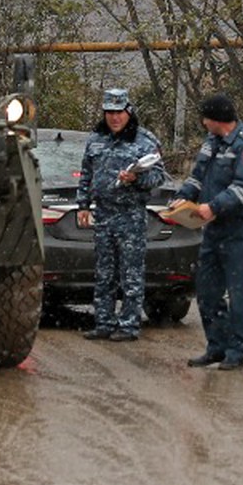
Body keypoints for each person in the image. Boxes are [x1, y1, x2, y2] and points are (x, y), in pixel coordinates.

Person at [176, 93, 243, 370]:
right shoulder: (212, 143)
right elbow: (198, 175)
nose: (203, 123)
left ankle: (236, 352)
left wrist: (213, 207)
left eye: (205, 118)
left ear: (216, 119)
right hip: (211, 229)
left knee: (236, 293)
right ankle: (216, 346)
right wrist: (184, 197)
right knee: (207, 291)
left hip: (236, 229)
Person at [76, 88, 166, 341]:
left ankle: (128, 325)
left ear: (128, 112)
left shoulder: (145, 141)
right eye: (109, 113)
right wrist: (83, 204)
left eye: (119, 112)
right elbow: (86, 174)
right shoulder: (95, 139)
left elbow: (158, 176)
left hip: (130, 215)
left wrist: (137, 178)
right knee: (104, 272)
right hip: (103, 214)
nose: (114, 118)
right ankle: (103, 321)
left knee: (131, 273)